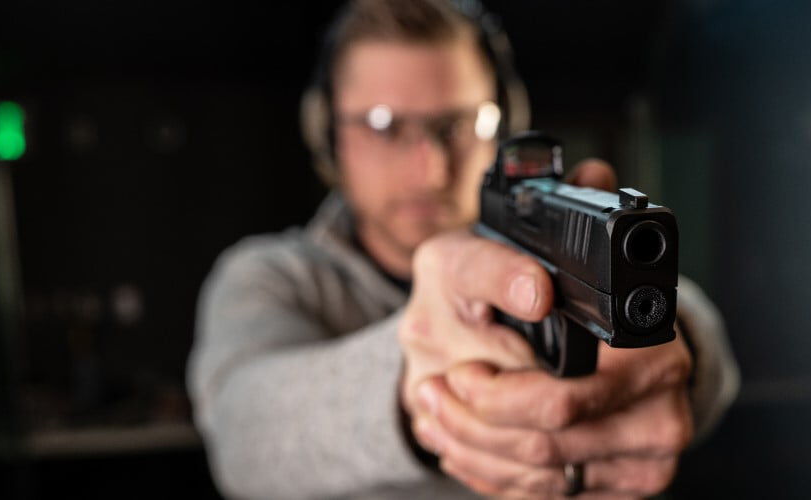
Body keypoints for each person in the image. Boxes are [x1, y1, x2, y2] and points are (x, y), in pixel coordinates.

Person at [187, 0, 739, 498]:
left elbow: (703, 329)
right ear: (326, 133)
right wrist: (416, 382)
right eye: (384, 126)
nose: (432, 167)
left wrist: (669, 354)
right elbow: (241, 437)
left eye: (458, 124)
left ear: (503, 126)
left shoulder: (534, 241)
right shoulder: (271, 275)